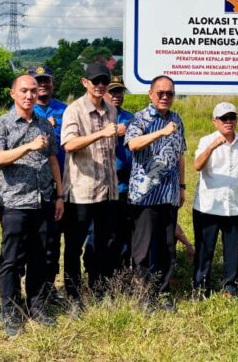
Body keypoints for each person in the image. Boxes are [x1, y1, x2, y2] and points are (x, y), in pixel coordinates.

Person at [0, 74, 65, 336]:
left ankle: (37, 305)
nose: (29, 95)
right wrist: (28, 147)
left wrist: (59, 195)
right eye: (23, 90)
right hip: (15, 201)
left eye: (33, 91)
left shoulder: (45, 124)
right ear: (13, 93)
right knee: (11, 259)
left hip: (43, 199)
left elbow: (53, 159)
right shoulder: (2, 125)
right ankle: (10, 311)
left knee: (40, 257)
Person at [125, 75, 187, 311]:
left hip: (169, 194)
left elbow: (180, 155)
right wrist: (160, 133)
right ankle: (143, 295)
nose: (164, 97)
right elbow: (133, 144)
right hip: (145, 196)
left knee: (166, 247)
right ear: (151, 94)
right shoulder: (140, 118)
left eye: (169, 93)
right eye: (160, 93)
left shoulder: (176, 119)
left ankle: (162, 293)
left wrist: (181, 187)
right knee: (143, 248)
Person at [60, 62, 119, 306]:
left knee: (104, 244)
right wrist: (101, 134)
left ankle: (98, 289)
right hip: (81, 190)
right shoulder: (74, 110)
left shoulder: (111, 110)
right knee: (74, 246)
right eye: (95, 81)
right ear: (85, 82)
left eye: (104, 81)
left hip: (107, 190)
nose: (100, 85)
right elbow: (69, 145)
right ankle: (73, 295)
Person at [192, 102, 238, 299]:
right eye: (224, 118)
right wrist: (212, 146)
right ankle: (201, 287)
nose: (229, 122)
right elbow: (197, 166)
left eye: (232, 117)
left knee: (232, 251)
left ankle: (230, 286)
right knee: (205, 249)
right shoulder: (206, 141)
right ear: (215, 121)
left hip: (234, 207)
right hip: (208, 206)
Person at [27, 65, 68, 301]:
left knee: (54, 238)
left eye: (46, 80)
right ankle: (31, 287)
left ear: (52, 82)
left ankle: (49, 285)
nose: (41, 85)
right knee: (32, 240)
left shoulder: (65, 109)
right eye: (37, 81)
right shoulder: (23, 109)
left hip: (61, 182)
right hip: (30, 186)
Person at [105, 75, 135, 268]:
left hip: (127, 185)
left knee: (126, 232)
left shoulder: (130, 118)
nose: (117, 95)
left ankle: (123, 275)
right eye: (112, 91)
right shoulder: (99, 116)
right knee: (106, 233)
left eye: (120, 91)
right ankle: (102, 274)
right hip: (106, 185)